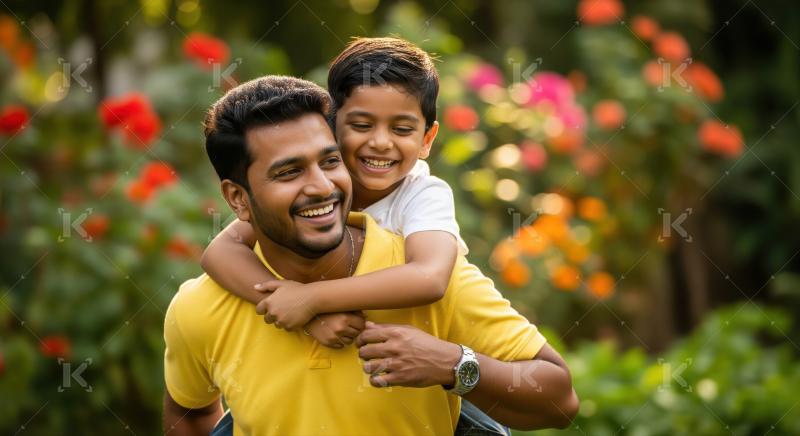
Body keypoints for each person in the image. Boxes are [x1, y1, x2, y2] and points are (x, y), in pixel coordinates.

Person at [163, 75, 578, 435]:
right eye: (289, 172)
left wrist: (453, 364)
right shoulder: (201, 307)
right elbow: (190, 410)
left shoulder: (429, 274)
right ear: (238, 199)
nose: (321, 186)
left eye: (329, 161)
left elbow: (559, 400)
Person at [201, 37, 465, 342]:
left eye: (402, 129)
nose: (380, 142)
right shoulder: (324, 184)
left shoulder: (423, 193)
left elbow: (429, 278)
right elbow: (219, 252)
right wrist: (305, 314)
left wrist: (312, 299)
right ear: (331, 127)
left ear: (427, 139)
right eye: (362, 125)